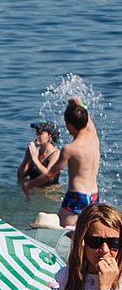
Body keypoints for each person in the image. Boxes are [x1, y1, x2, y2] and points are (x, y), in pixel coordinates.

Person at [58, 98, 102, 228]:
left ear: (69, 125)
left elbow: (51, 174)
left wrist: (30, 184)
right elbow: (88, 121)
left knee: (64, 230)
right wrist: (80, 104)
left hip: (76, 195)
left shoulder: (70, 148)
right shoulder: (94, 138)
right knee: (87, 230)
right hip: (93, 195)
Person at [22, 122, 65, 198]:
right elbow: (20, 176)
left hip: (50, 194)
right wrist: (27, 157)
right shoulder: (35, 151)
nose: (36, 136)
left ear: (50, 137)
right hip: (34, 192)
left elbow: (49, 175)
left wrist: (35, 159)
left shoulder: (56, 154)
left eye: (40, 134)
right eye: (36, 133)